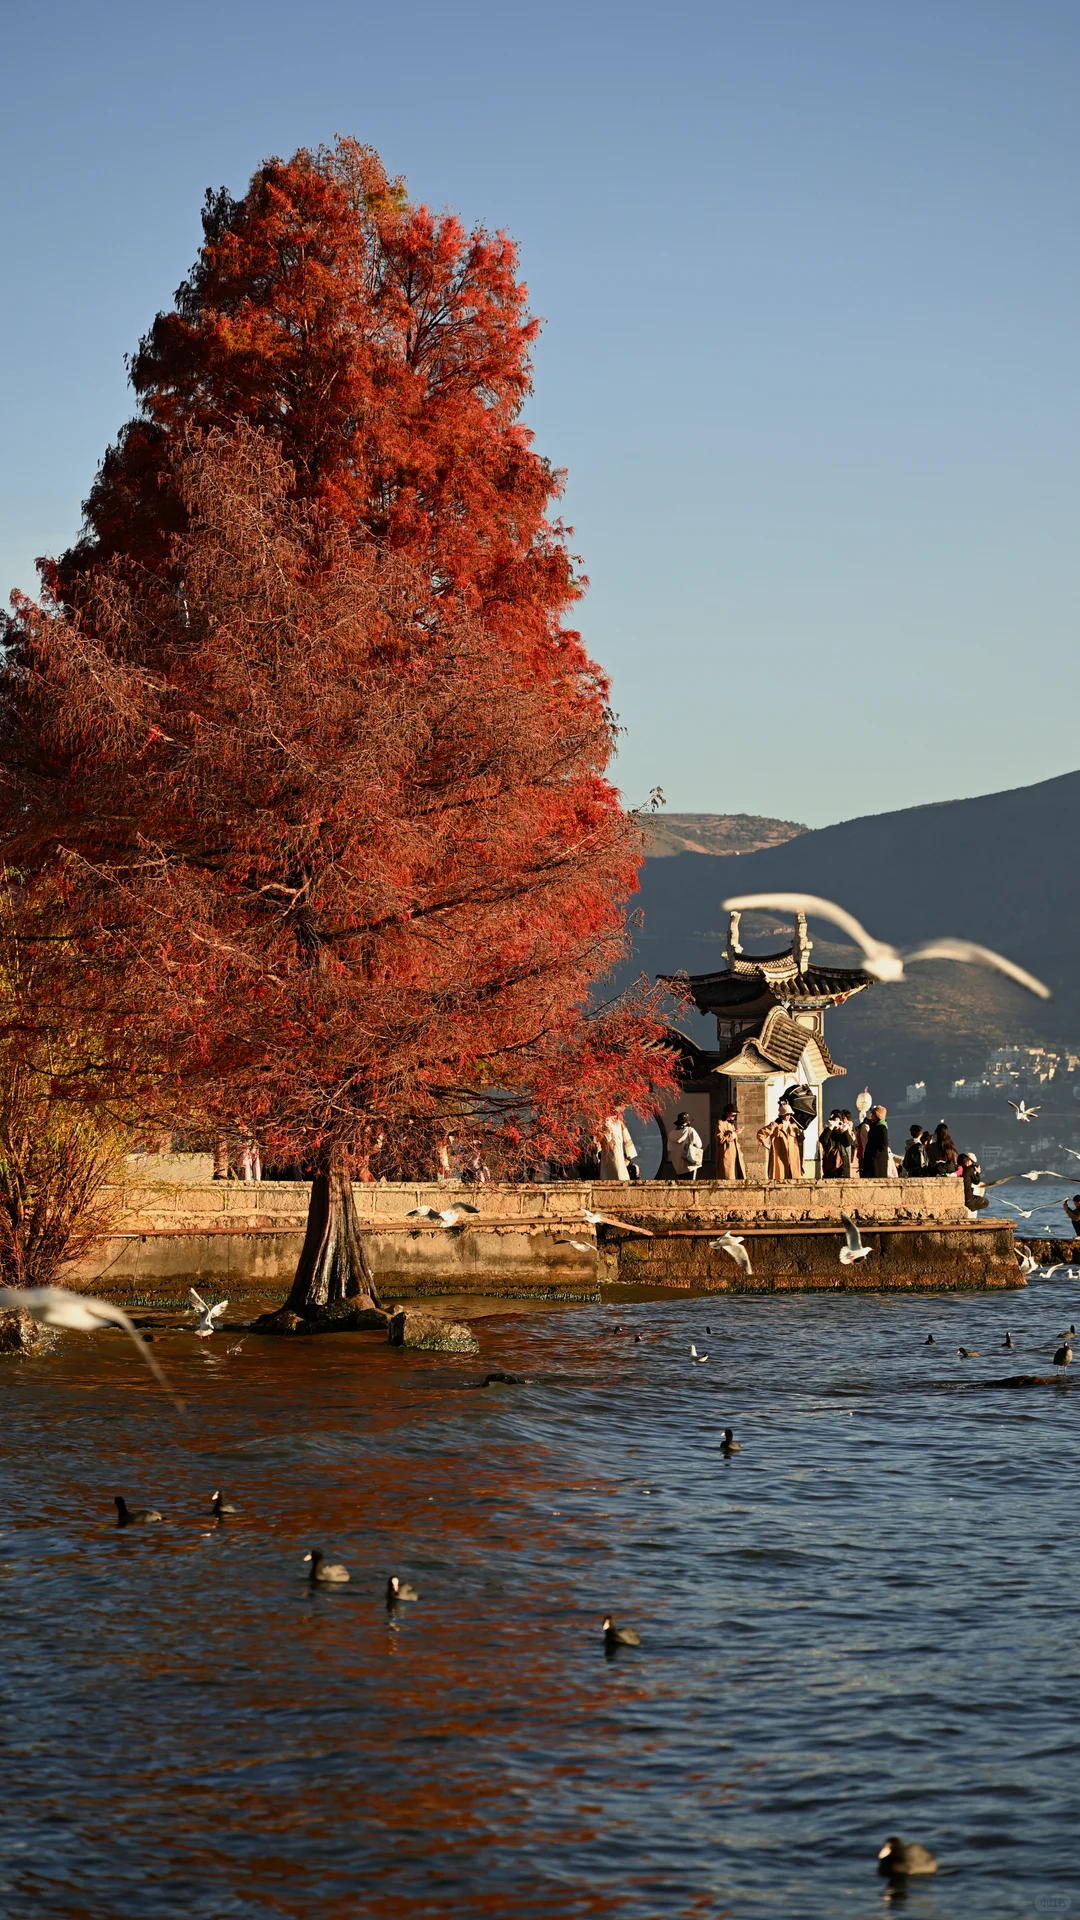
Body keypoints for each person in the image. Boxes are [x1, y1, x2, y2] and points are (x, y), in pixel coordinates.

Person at [757, 1104, 803, 1180]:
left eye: (790, 1114)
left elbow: (801, 1139)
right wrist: (766, 1144)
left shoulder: (794, 1126)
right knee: (780, 1176)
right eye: (787, 1114)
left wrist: (800, 1133)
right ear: (782, 1115)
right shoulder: (774, 1125)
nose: (789, 1116)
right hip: (780, 1155)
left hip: (793, 1155)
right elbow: (760, 1134)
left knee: (793, 1178)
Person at [600, 1113, 639, 1182]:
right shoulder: (602, 1122)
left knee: (619, 1173)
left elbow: (627, 1139)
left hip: (617, 1154)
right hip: (608, 1155)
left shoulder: (619, 1122)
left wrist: (628, 1158)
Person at [667, 1111, 704, 1181]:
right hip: (689, 1163)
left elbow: (669, 1149)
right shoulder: (690, 1130)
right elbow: (699, 1144)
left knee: (681, 1185)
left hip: (677, 1166)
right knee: (690, 1185)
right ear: (687, 1122)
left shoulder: (671, 1134)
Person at [712, 1106, 746, 1180]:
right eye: (733, 1115)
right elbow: (720, 1139)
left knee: (736, 1175)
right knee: (727, 1176)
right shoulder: (720, 1123)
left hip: (734, 1153)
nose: (734, 1117)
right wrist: (734, 1134)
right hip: (726, 1153)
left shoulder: (731, 1124)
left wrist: (736, 1132)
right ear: (727, 1113)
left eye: (735, 1115)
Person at [819, 1110, 855, 1179]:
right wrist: (830, 1128)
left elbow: (848, 1143)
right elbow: (823, 1140)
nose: (836, 1124)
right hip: (830, 1167)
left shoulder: (842, 1133)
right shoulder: (828, 1132)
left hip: (843, 1166)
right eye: (834, 1121)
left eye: (838, 1122)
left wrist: (845, 1131)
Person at [862, 1104, 890, 1178]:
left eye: (873, 1114)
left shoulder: (881, 1127)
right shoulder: (875, 1125)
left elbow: (884, 1142)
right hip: (873, 1157)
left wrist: (875, 1153)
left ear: (877, 1116)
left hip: (877, 1159)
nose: (871, 1115)